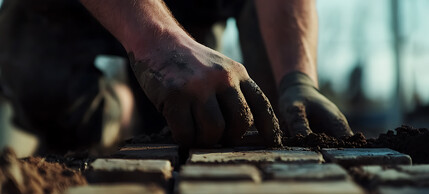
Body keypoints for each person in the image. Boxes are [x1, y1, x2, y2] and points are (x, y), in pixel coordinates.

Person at [0, 0, 352, 154]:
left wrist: (297, 78)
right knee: (43, 92)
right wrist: (160, 46)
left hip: (195, 9)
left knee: (207, 123)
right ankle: (116, 108)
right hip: (71, 8)